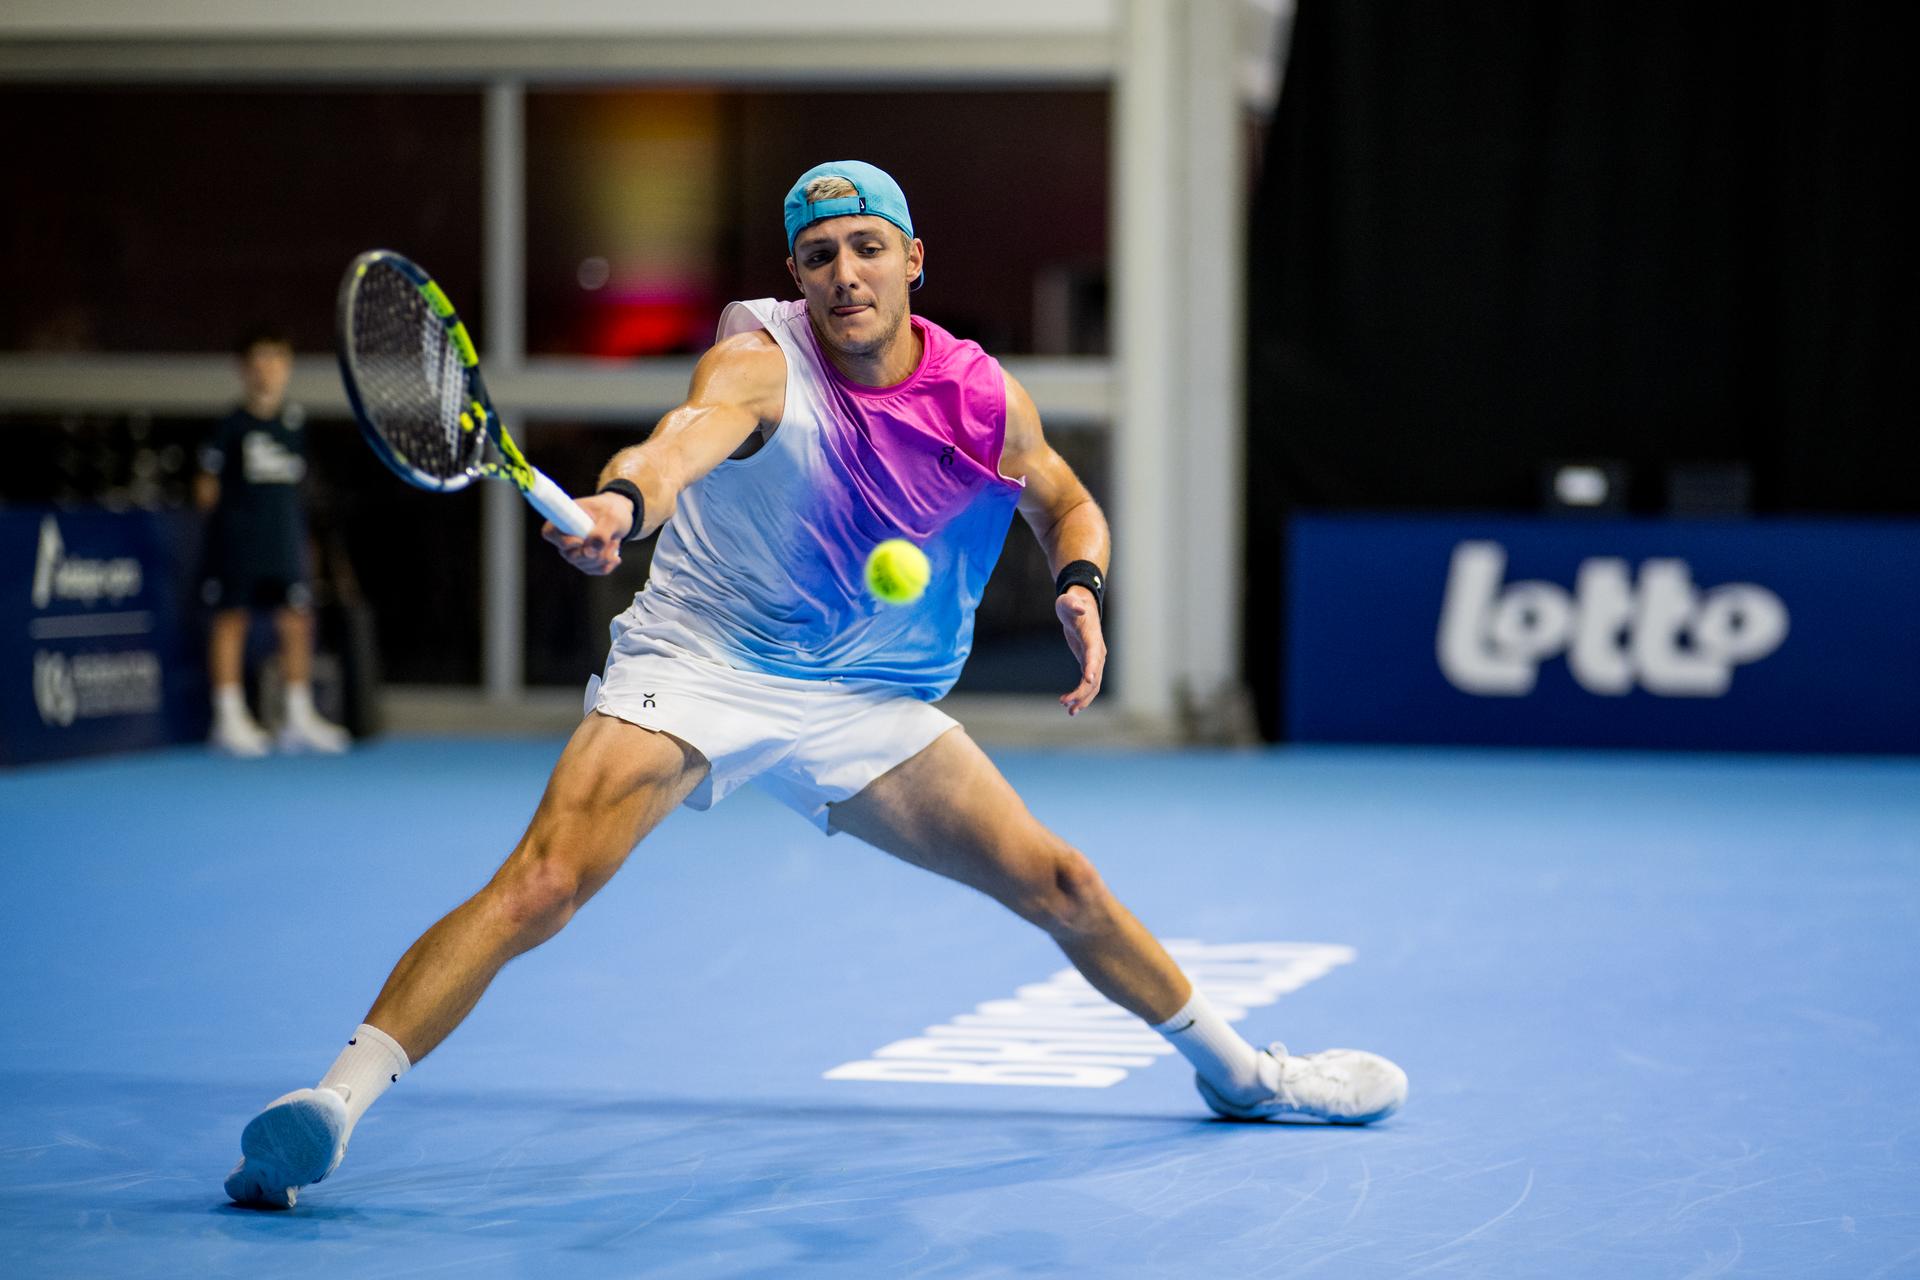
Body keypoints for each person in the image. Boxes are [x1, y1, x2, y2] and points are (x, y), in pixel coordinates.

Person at [224, 162, 1406, 1209]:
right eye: (820, 253)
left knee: (1064, 881)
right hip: (705, 658)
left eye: (868, 247)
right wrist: (622, 504)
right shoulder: (758, 363)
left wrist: (1080, 582)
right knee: (543, 879)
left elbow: (1062, 496)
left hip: (863, 697)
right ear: (795, 273)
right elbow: (677, 441)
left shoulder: (980, 395)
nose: (846, 273)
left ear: (912, 259)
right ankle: (330, 1104)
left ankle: (1245, 1075)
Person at [195, 328, 349, 757]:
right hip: (238, 544)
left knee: (296, 621)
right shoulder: (230, 425)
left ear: (287, 367)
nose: (267, 371)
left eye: (276, 360)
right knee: (232, 620)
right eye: (259, 361)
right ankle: (228, 717)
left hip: (284, 542)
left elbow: (300, 490)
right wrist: (233, 523)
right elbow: (205, 490)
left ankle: (297, 717)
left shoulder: (294, 423)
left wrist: (305, 543)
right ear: (244, 370)